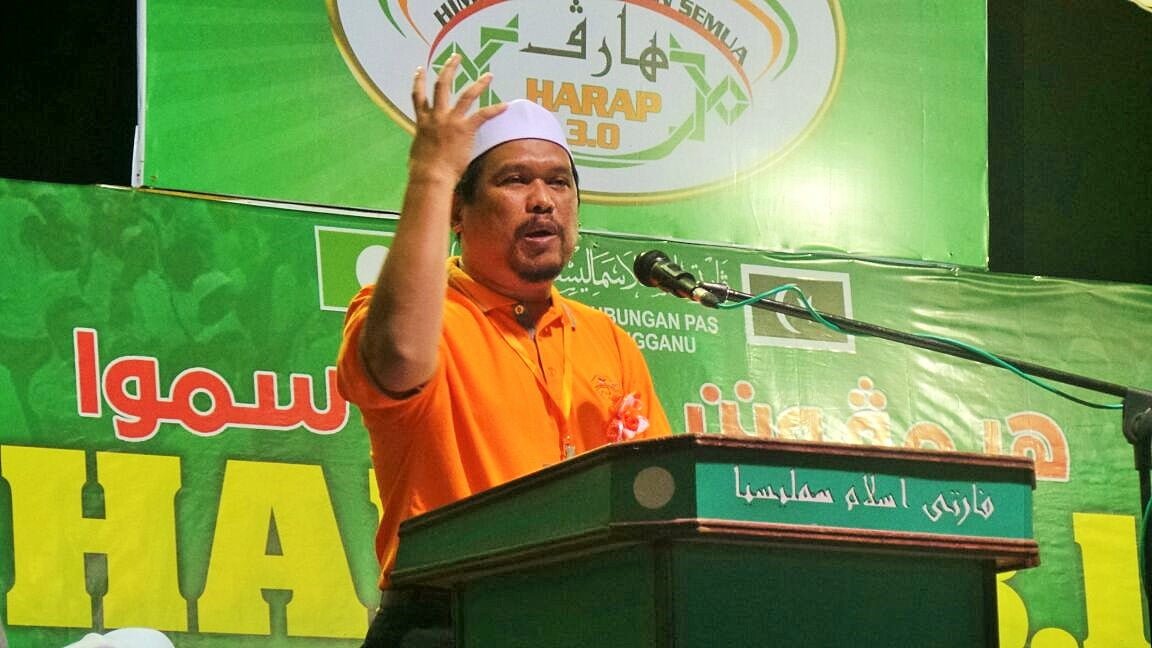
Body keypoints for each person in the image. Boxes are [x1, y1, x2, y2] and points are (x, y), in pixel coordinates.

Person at [336, 54, 671, 647]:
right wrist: (431, 173)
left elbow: (655, 494)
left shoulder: (607, 339)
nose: (542, 200)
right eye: (515, 180)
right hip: (450, 619)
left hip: (586, 621)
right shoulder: (426, 317)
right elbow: (397, 358)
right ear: (458, 211)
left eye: (559, 182)